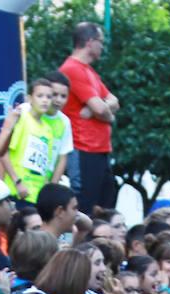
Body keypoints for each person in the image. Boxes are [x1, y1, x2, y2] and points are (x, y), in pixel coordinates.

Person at [60, 22, 119, 214]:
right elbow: (100, 109)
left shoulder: (89, 71)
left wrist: (101, 110)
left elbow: (113, 102)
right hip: (83, 147)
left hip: (99, 149)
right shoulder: (73, 69)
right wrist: (102, 112)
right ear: (90, 42)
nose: (102, 46)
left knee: (106, 200)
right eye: (100, 41)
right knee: (85, 204)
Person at [0, 74, 75, 202]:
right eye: (41, 96)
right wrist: (6, 184)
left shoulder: (50, 128)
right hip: (15, 189)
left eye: (49, 96)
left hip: (37, 193)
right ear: (30, 98)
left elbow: (57, 159)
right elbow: (3, 151)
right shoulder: (22, 113)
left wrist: (50, 188)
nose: (55, 100)